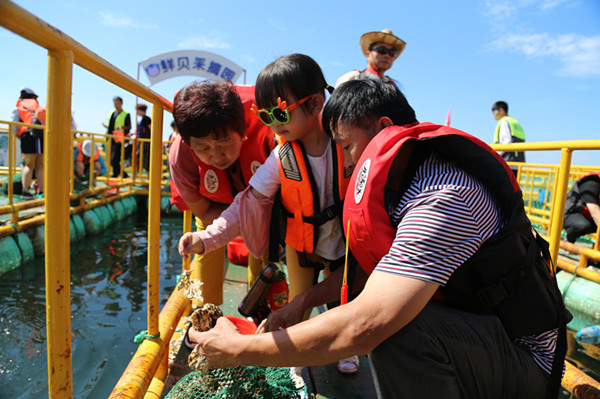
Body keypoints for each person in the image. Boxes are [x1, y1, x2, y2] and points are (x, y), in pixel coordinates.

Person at [187, 78, 568, 399]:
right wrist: (300, 303)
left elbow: (368, 323)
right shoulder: (408, 185)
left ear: (383, 125)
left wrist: (239, 349)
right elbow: (375, 277)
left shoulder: (443, 195)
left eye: (348, 147)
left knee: (397, 331)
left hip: (526, 364)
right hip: (480, 339)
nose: (349, 166)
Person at [179, 54, 361, 375]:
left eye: (279, 112)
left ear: (317, 102)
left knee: (345, 300)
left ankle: (348, 351)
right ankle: (295, 365)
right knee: (296, 306)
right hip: (301, 247)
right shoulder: (282, 157)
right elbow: (246, 204)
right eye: (265, 116)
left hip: (343, 244)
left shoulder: (346, 142)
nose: (274, 124)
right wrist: (206, 238)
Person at [168, 81, 275, 309]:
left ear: (243, 131)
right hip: (213, 210)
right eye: (203, 148)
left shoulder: (270, 130)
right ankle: (205, 323)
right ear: (189, 145)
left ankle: (258, 312)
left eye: (224, 142)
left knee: (263, 260)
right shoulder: (181, 156)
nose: (217, 157)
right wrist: (218, 233)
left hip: (264, 206)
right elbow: (204, 212)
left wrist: (252, 220)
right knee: (204, 264)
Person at [336, 29, 406, 87]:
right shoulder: (353, 78)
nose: (387, 55)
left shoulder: (393, 85)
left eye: (392, 53)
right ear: (368, 54)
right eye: (381, 50)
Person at [12, 87, 44, 199]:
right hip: (39, 135)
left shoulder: (18, 108)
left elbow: (14, 128)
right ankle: (41, 191)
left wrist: (20, 136)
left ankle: (25, 191)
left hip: (26, 135)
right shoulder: (37, 107)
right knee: (40, 165)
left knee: (28, 164)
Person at [563, 173, 600, 243]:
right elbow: (595, 213)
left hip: (586, 216)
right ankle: (569, 239)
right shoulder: (591, 184)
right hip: (569, 214)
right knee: (584, 225)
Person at [492, 100, 526, 176]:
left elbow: (506, 142)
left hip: (507, 163)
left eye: (494, 111)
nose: (493, 114)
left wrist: (493, 155)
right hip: (518, 163)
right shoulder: (515, 122)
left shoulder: (504, 121)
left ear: (500, 110)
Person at [103, 96, 131, 178]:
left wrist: (123, 127)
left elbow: (129, 127)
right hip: (110, 137)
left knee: (114, 159)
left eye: (118, 103)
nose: (116, 105)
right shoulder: (112, 113)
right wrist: (106, 126)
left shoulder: (126, 114)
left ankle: (118, 174)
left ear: (121, 103)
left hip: (119, 139)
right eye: (115, 103)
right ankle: (121, 174)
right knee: (111, 159)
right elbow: (111, 125)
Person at [136, 103, 151, 172]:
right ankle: (137, 172)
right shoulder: (141, 119)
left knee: (146, 158)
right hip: (141, 141)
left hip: (145, 141)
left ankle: (148, 175)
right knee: (138, 157)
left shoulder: (146, 119)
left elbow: (151, 128)